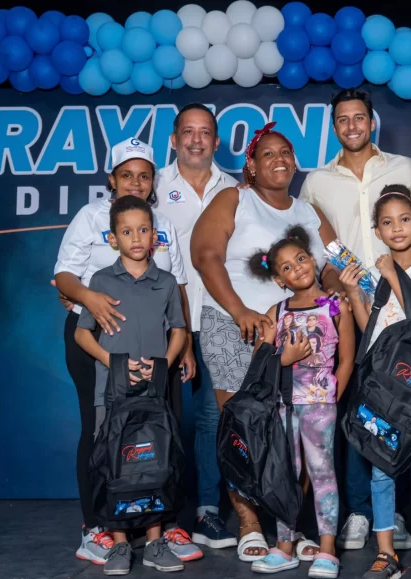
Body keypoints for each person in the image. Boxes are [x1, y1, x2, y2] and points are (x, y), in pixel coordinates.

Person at [191, 122, 342, 562]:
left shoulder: (309, 212)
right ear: (251, 167)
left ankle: (287, 524)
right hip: (234, 326)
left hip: (299, 333)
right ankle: (249, 522)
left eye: (286, 152)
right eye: (268, 154)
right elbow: (205, 255)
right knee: (243, 429)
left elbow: (332, 263)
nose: (279, 159)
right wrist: (240, 311)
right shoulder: (235, 198)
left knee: (296, 431)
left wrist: (336, 291)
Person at [53, 139, 198, 563]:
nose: (136, 182)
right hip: (103, 340)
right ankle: (98, 527)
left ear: (154, 181)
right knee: (101, 431)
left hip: (157, 345)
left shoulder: (164, 223)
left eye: (145, 174)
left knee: (160, 433)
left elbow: (179, 285)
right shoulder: (90, 216)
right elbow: (62, 274)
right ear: (111, 179)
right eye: (127, 174)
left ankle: (162, 526)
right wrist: (88, 297)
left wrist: (184, 345)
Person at [300, 88, 411, 551]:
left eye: (359, 118)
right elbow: (312, 246)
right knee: (357, 409)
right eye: (342, 120)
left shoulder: (404, 169)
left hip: (402, 304)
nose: (351, 126)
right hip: (349, 305)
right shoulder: (316, 182)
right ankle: (359, 511)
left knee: (405, 405)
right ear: (334, 127)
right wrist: (332, 278)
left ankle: (392, 507)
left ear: (372, 122)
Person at [340, 185, 411, 579]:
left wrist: (392, 273)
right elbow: (366, 326)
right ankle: (386, 553)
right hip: (381, 384)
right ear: (377, 231)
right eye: (387, 222)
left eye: (405, 219)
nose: (397, 228)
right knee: (381, 470)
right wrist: (355, 290)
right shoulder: (377, 275)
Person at [74, 195, 187, 576]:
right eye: (127, 231)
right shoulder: (101, 281)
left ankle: (155, 541)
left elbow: (179, 330)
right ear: (112, 239)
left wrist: (162, 367)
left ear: (154, 236)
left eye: (143, 230)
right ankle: (120, 545)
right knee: (116, 465)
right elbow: (82, 335)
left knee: (155, 462)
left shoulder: (167, 281)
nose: (136, 237)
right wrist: (115, 364)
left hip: (153, 392)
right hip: (113, 390)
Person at [153, 103, 241, 551]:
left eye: (205, 132)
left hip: (220, 319)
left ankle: (207, 511)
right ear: (174, 139)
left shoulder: (235, 189)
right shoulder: (153, 187)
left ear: (216, 141)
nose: (195, 139)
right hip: (164, 322)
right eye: (187, 131)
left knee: (211, 416)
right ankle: (159, 517)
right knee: (160, 417)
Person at [245, 225, 355, 577]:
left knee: (323, 473)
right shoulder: (276, 312)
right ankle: (285, 546)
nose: (298, 268)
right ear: (279, 279)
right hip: (284, 406)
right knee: (285, 475)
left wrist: (333, 396)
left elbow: (349, 358)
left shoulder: (336, 306)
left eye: (301, 259)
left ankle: (327, 549)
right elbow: (262, 363)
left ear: (313, 259)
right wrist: (285, 358)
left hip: (321, 405)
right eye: (287, 267)